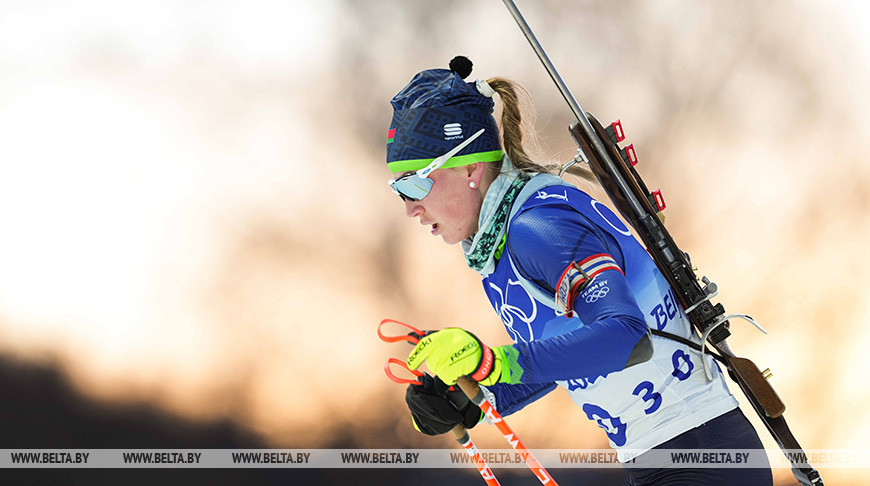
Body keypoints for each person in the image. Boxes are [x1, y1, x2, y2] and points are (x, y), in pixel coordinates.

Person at [385, 56, 773, 485]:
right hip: (664, 457)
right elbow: (567, 357)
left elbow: (626, 335)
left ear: (470, 168)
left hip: (699, 450)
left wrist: (495, 362)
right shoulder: (499, 247)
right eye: (397, 189)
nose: (409, 208)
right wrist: (473, 394)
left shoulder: (537, 227)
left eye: (414, 184)